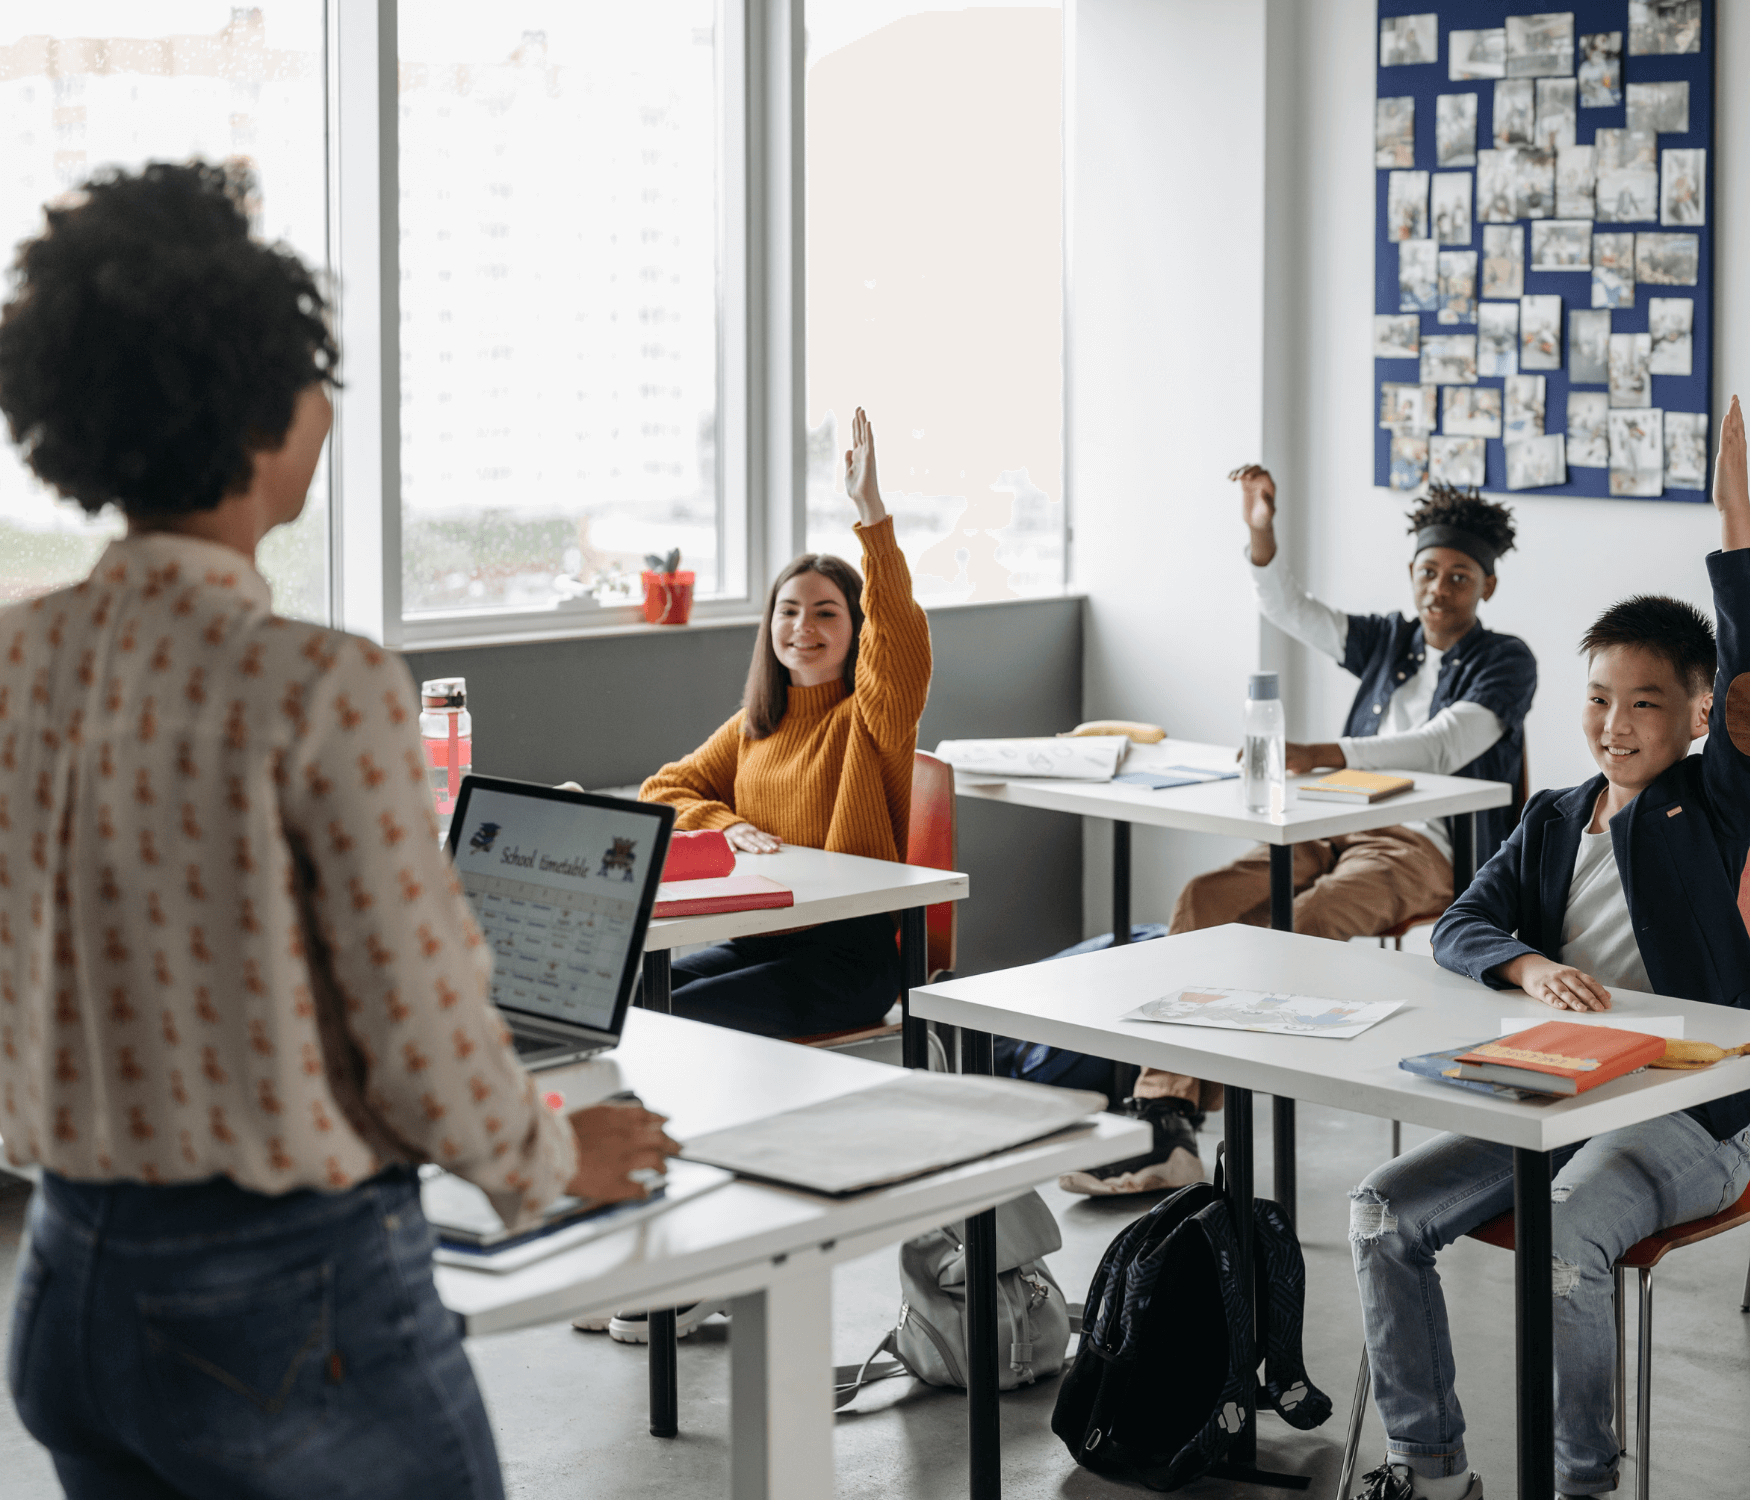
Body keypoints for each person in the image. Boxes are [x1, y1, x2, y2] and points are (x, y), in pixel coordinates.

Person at [0, 161, 675, 1499]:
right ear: (263, 414)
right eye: (317, 376)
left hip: (64, 1278)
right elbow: (418, 1022)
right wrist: (549, 1159)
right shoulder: (321, 686)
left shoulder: (19, 661)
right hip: (281, 1304)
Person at [1349, 398, 1750, 1500]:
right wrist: (1526, 966)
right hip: (1549, 1095)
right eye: (1599, 700)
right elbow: (1460, 925)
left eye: (1647, 704)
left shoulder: (1712, 808)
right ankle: (1430, 1472)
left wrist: (1735, 535)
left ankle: (1582, 1484)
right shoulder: (1553, 815)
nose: (1617, 724)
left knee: (1569, 1245)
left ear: (1701, 716)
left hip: (1691, 1112)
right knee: (1381, 1213)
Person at [1066, 471, 1537, 1198]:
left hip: (1424, 847)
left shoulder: (1506, 660)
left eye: (1460, 577)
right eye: (1428, 573)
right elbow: (1291, 608)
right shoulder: (1390, 641)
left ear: (1488, 586)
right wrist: (1261, 531)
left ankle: (1171, 1119)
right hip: (1330, 820)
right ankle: (1166, 1116)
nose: (1440, 589)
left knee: (1303, 923)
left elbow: (1446, 745)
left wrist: (1325, 752)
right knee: (1208, 898)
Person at [638, 408, 932, 1039]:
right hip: (760, 942)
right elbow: (662, 790)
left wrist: (873, 516)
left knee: (674, 1021)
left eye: (827, 614)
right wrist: (727, 823)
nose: (804, 628)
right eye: (789, 611)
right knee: (627, 996)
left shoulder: (873, 716)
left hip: (848, 960)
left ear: (856, 630)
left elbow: (901, 640)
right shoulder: (756, 725)